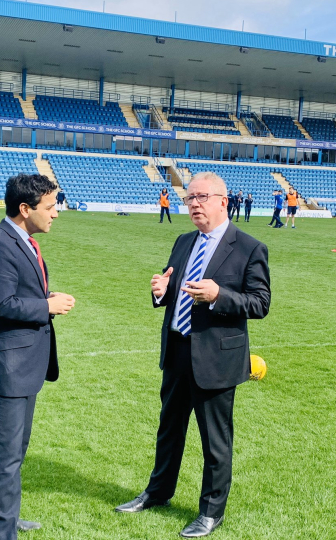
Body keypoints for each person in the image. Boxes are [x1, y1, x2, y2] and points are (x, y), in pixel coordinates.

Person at [115, 172, 270, 539]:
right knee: (169, 429)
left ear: (223, 201)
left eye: (202, 197)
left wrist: (219, 296)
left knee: (215, 441)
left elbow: (260, 303)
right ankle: (158, 491)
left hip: (216, 358)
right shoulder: (184, 241)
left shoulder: (249, 247)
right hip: (177, 350)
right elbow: (174, 289)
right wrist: (161, 291)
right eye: (189, 198)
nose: (194, 204)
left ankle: (211, 512)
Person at [0, 174, 76, 540]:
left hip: (24, 363)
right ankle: (4, 532)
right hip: (8, 366)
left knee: (10, 447)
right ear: (25, 209)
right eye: (50, 207)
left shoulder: (23, 241)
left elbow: (18, 294)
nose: (56, 213)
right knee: (8, 453)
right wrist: (47, 306)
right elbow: (0, 304)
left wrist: (45, 300)